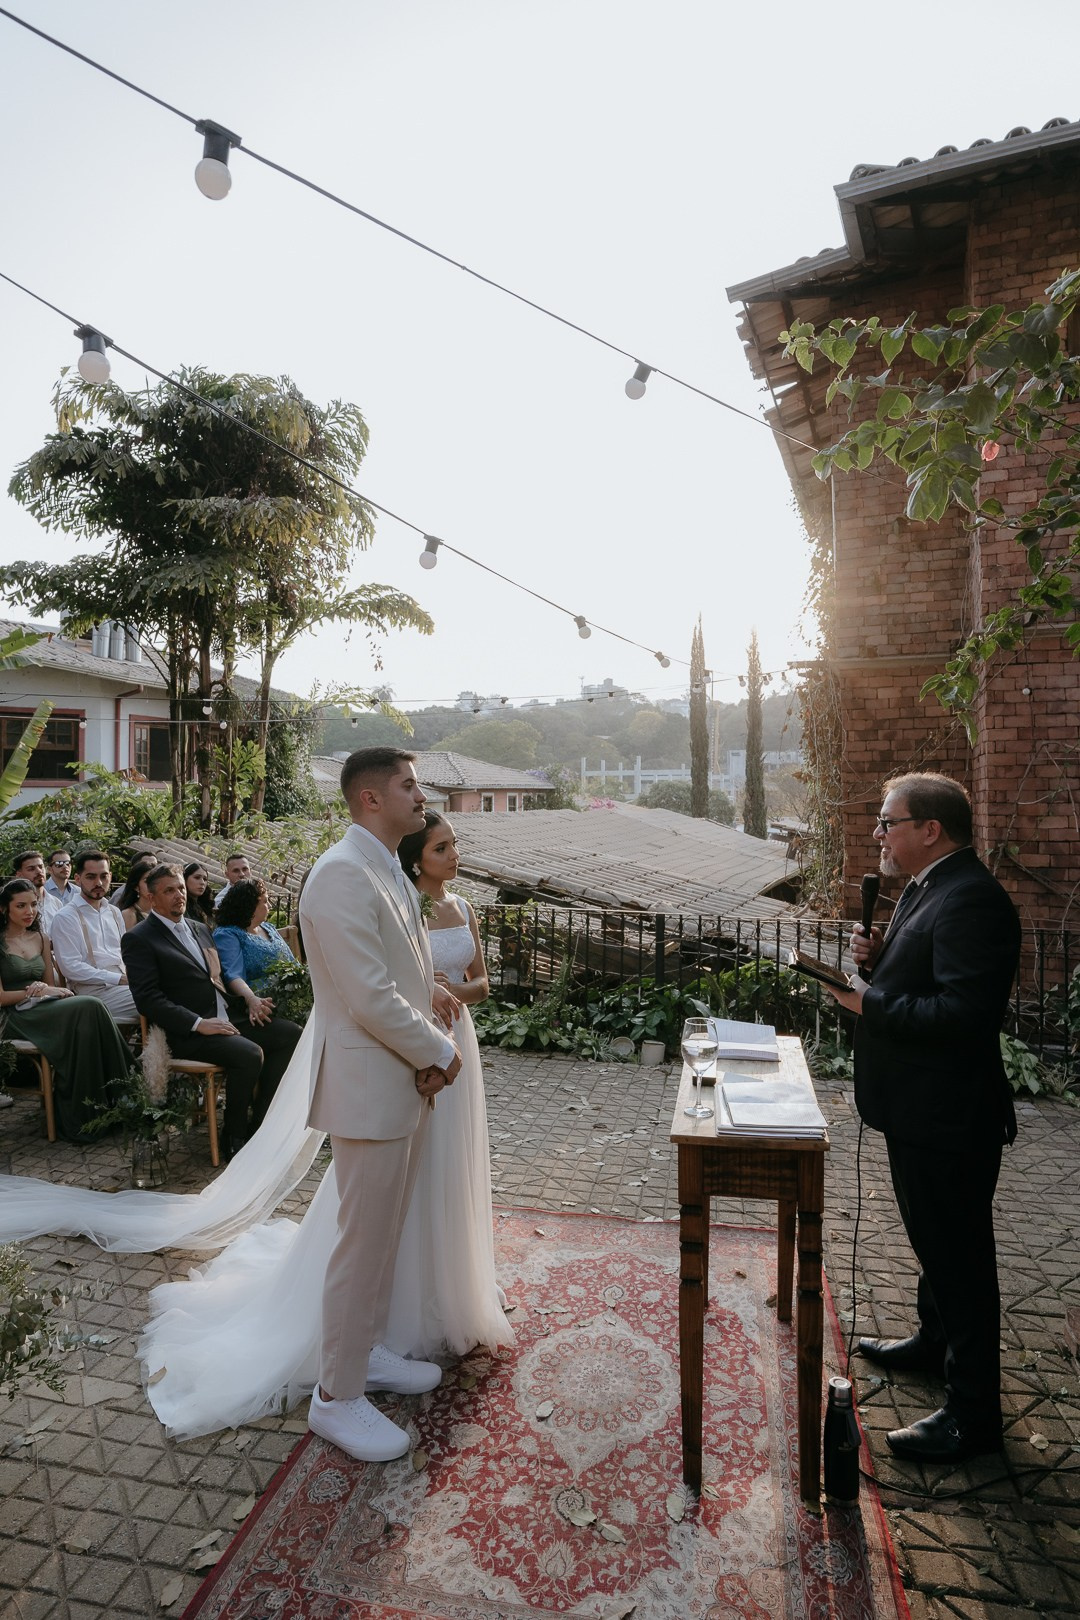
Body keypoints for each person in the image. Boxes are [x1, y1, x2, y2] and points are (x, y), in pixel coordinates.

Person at [825, 772, 1021, 1464]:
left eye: (888, 822)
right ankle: (931, 1342)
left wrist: (867, 1003)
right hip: (916, 1108)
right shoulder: (926, 887)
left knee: (961, 1261)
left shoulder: (973, 899)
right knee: (934, 1242)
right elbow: (926, 977)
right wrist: (880, 966)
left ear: (929, 829)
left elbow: (965, 1018)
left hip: (948, 1117)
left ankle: (973, 1417)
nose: (879, 834)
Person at [300, 748, 465, 1464]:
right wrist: (437, 1051)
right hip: (370, 1083)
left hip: (400, 1081)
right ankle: (334, 1399)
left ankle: (364, 1355)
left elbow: (397, 968)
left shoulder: (386, 866)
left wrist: (428, 992)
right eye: (408, 784)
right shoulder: (339, 873)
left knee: (385, 1234)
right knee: (360, 1242)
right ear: (370, 799)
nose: (419, 792)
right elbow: (365, 997)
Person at [121, 864, 302, 1161]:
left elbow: (217, 977)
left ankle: (261, 1125)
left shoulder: (200, 928)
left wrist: (251, 1000)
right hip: (188, 1031)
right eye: (169, 890)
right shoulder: (140, 938)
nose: (179, 895)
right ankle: (235, 1137)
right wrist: (199, 1023)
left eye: (180, 888)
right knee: (249, 1053)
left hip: (228, 1015)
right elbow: (148, 1000)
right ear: (151, 899)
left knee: (290, 1034)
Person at [0, 877, 134, 1139]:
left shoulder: (41, 937)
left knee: (89, 1015)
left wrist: (46, 991)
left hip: (43, 1007)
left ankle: (101, 1109)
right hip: (12, 1016)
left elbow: (52, 987)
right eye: (21, 906)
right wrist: (32, 991)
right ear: (4, 909)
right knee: (90, 1006)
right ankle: (128, 1090)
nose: (30, 912)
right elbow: (1, 997)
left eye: (34, 905)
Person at [49, 851, 140, 1023]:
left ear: (110, 876)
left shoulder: (113, 912)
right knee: (157, 999)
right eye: (91, 877)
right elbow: (71, 967)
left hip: (125, 986)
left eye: (104, 876)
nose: (98, 883)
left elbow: (125, 953)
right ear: (77, 878)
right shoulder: (66, 917)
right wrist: (119, 979)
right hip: (91, 993)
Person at [213, 879, 296, 1020]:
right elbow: (233, 974)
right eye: (264, 901)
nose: (269, 905)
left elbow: (292, 963)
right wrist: (252, 999)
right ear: (250, 905)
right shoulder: (228, 934)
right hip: (261, 1007)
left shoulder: (268, 928)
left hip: (291, 998)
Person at [12, 851, 61, 935]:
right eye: (31, 869)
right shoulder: (12, 904)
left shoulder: (56, 903)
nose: (39, 871)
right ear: (19, 875)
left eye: (41, 867)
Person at [114, 855, 158, 931]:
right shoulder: (129, 915)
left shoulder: (161, 911)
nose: (152, 885)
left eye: (155, 880)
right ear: (136, 887)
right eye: (147, 881)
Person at [183, 862, 216, 928]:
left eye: (205, 879)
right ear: (184, 879)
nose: (202, 882)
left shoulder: (206, 906)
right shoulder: (181, 907)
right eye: (197, 877)